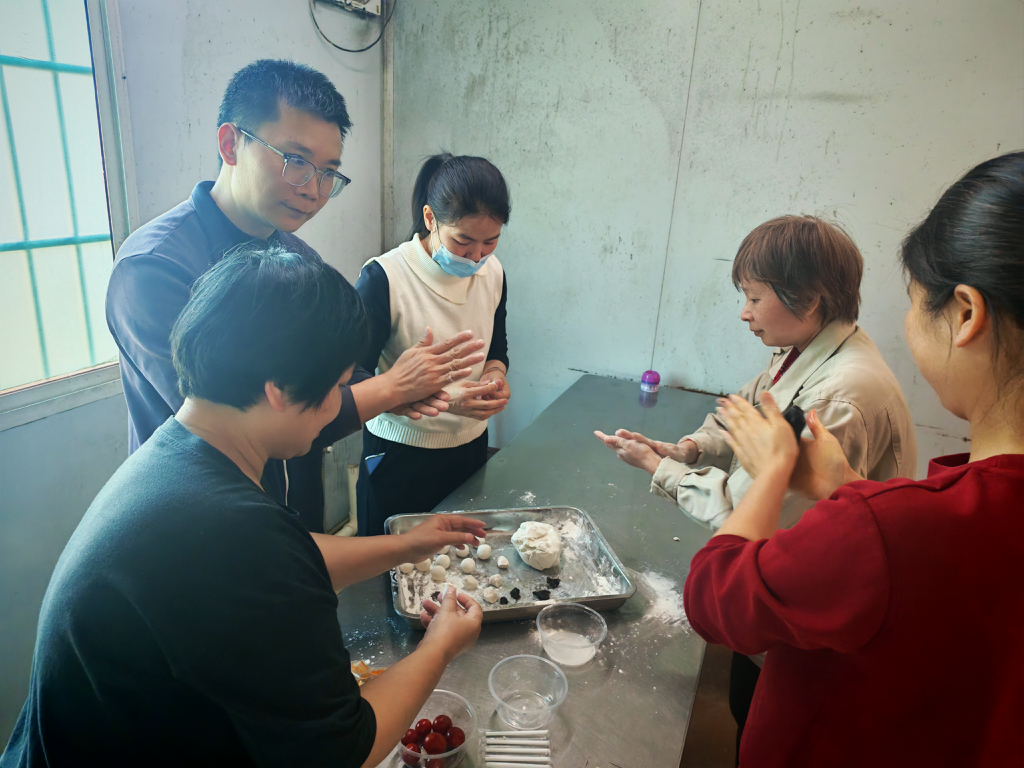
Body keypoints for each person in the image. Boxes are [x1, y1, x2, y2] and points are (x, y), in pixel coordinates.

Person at [2, 244, 486, 768]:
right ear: (278, 389)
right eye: (340, 385)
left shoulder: (180, 455)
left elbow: (286, 560)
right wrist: (439, 646)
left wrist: (406, 545)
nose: (337, 406)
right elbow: (343, 750)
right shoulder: (231, 531)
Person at [684, 152, 1024, 767]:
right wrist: (846, 485)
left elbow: (720, 597)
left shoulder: (847, 406)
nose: (744, 312)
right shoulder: (798, 354)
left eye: (917, 303)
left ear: (966, 314)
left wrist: (773, 473)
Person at [106, 60, 486, 532]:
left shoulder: (298, 256)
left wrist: (395, 392)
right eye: (297, 161)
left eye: (328, 173)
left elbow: (335, 371)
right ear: (230, 144)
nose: (313, 190)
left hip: (294, 514)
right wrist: (389, 389)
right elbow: (243, 416)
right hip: (203, 524)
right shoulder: (155, 267)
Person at [595, 215, 917, 754]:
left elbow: (749, 515)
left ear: (809, 300)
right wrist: (689, 448)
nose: (744, 313)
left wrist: (658, 468)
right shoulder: (807, 348)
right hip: (797, 611)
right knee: (747, 705)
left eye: (753, 298)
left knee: (772, 729)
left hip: (818, 627)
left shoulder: (838, 397)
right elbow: (746, 410)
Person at [354, 153, 512, 536]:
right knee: (391, 562)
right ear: (430, 218)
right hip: (400, 455)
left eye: (490, 241)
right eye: (463, 241)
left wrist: (494, 377)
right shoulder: (384, 278)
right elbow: (352, 381)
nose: (477, 256)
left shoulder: (493, 272)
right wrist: (442, 398)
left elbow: (497, 348)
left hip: (470, 447)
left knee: (459, 555)